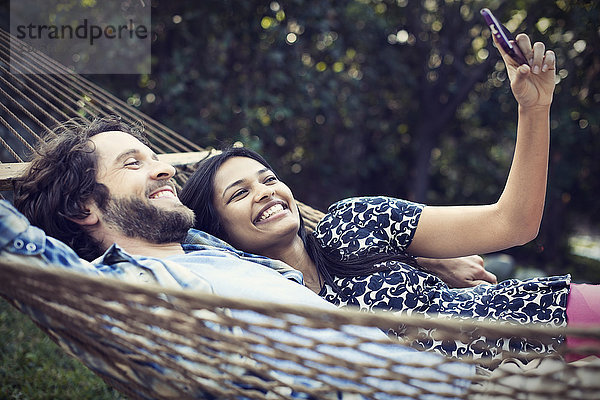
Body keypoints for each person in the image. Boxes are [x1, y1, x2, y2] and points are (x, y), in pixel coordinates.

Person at [180, 33, 600, 362]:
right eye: (240, 193)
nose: (265, 192)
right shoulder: (261, 308)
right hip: (475, 384)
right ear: (218, 230)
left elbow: (513, 223)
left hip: (539, 321)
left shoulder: (350, 224)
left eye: (268, 178)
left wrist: (534, 109)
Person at [3, 116, 474, 399]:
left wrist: (424, 257)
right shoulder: (129, 287)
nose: (165, 167)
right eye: (133, 163)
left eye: (155, 157)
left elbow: (303, 246)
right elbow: (23, 245)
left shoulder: (208, 247)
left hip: (463, 368)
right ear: (83, 206)